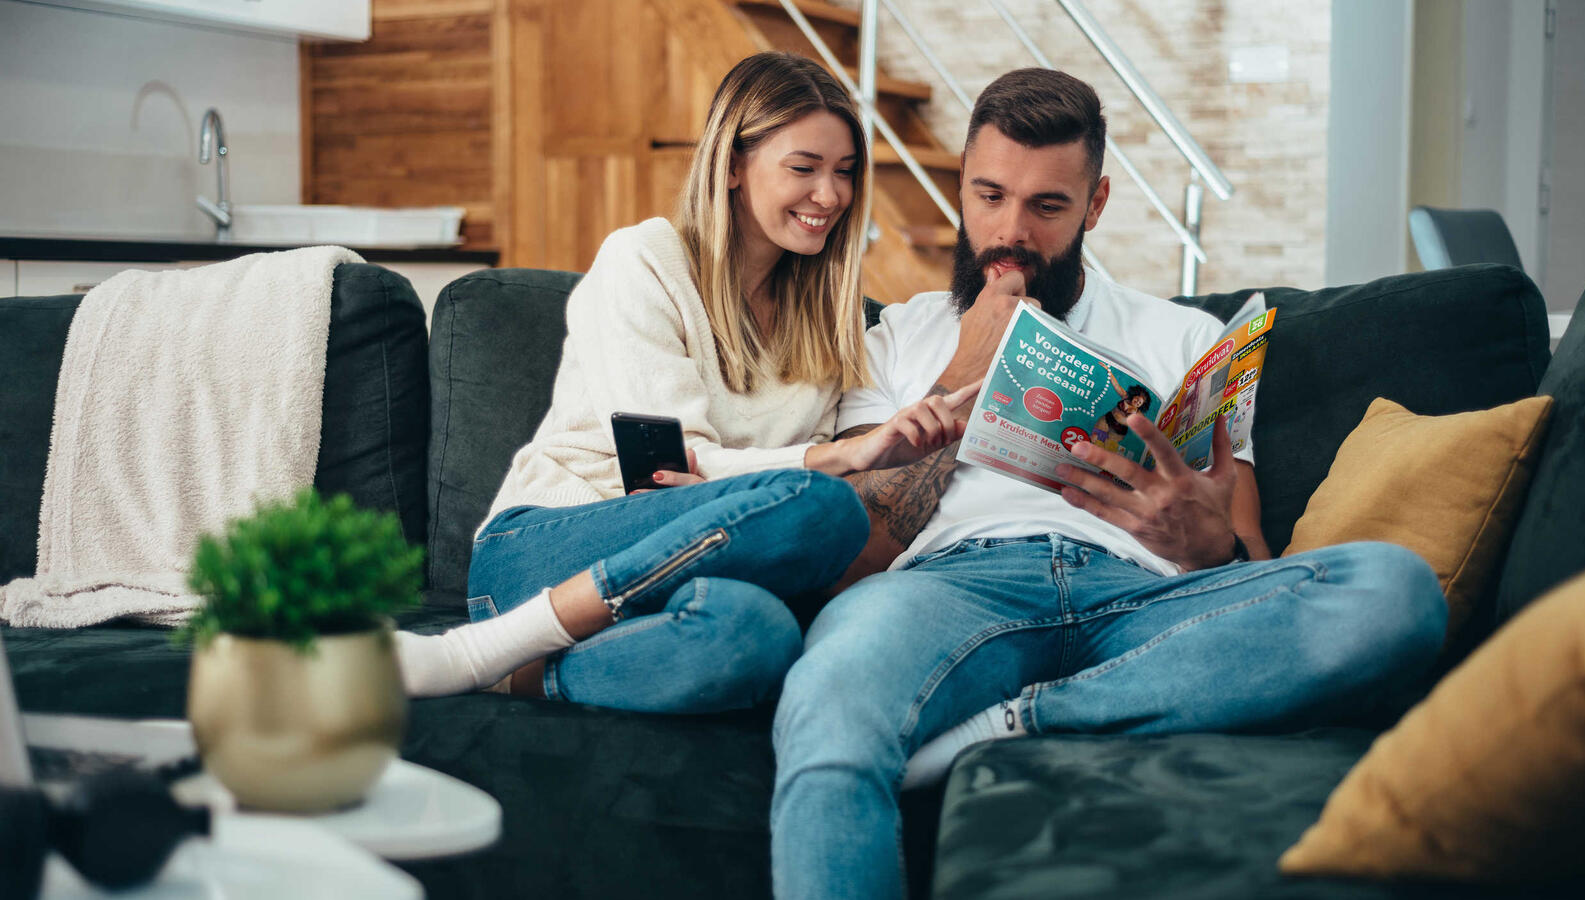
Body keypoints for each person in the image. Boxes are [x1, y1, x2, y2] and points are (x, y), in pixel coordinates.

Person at [769, 68, 1447, 899]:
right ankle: (1032, 713)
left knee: (1396, 590)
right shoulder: (891, 341)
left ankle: (1019, 723)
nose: (1010, 232)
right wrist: (965, 370)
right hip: (950, 594)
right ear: (960, 190)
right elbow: (851, 557)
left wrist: (1206, 545)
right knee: (828, 701)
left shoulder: (1186, 337)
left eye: (1047, 207)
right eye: (988, 196)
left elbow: (1250, 565)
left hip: (1146, 604)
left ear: (1094, 206)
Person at [394, 51, 973, 712]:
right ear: (731, 165)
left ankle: (521, 674)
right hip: (547, 552)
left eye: (844, 173)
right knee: (827, 505)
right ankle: (478, 648)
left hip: (690, 568)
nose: (831, 196)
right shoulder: (645, 260)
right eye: (803, 169)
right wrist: (835, 458)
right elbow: (666, 473)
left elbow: (729, 499)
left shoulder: (830, 320)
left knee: (755, 634)